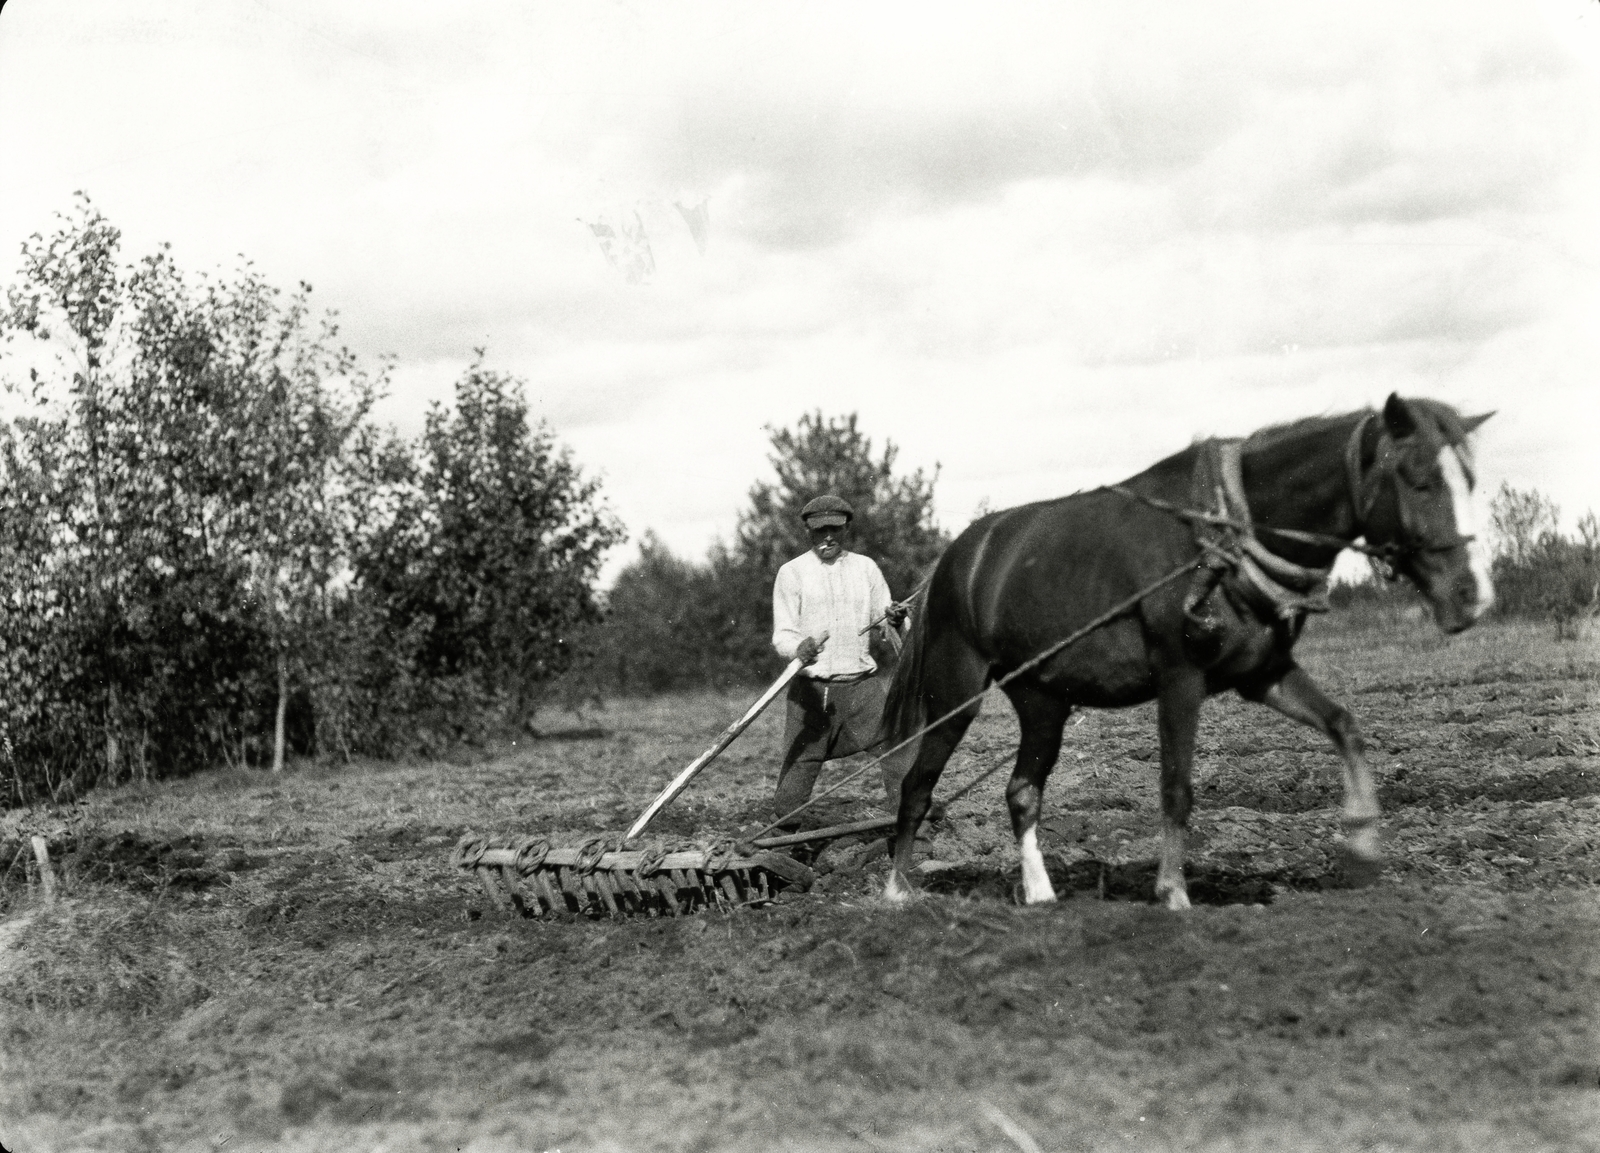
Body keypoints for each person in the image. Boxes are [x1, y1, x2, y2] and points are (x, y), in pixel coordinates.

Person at [770, 494, 911, 822]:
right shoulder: (792, 573)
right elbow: (782, 636)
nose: (828, 537)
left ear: (846, 528)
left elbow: (886, 620)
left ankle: (912, 837)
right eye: (820, 531)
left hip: (862, 689)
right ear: (809, 532)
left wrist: (894, 618)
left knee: (899, 754)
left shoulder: (866, 569)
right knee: (798, 774)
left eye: (835, 529)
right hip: (812, 695)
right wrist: (799, 648)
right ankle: (782, 845)